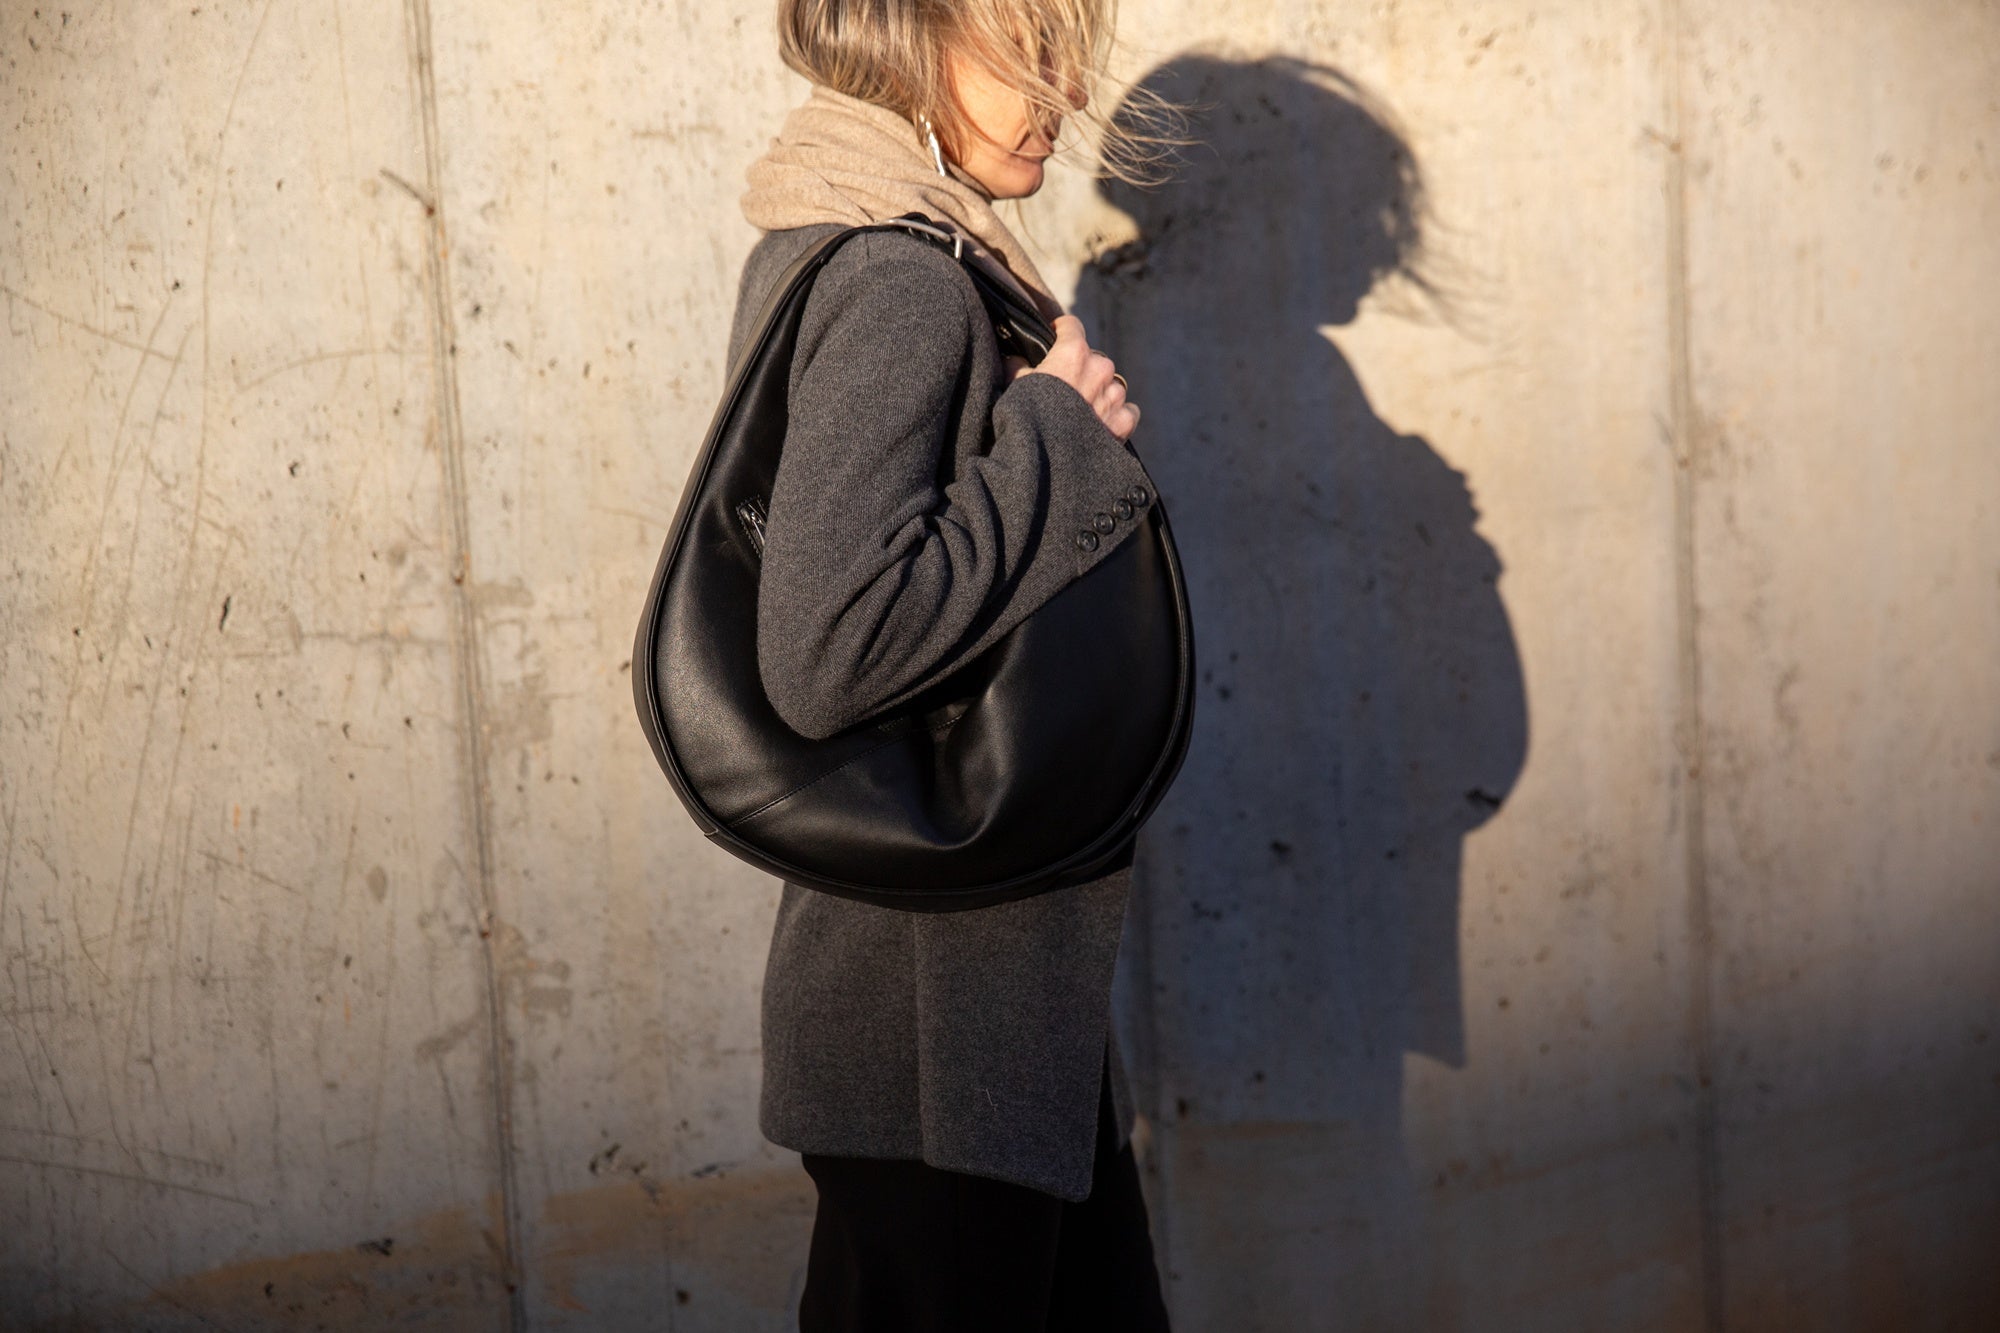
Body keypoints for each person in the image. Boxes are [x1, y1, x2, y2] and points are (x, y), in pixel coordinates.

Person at [726, 1, 1177, 1329]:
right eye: (1022, 47)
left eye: (1067, 46)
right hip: (939, 1024)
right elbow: (828, 646)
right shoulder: (900, 277)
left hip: (960, 1007)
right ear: (907, 38)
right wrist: (1056, 436)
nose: (1060, 89)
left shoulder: (847, 238)